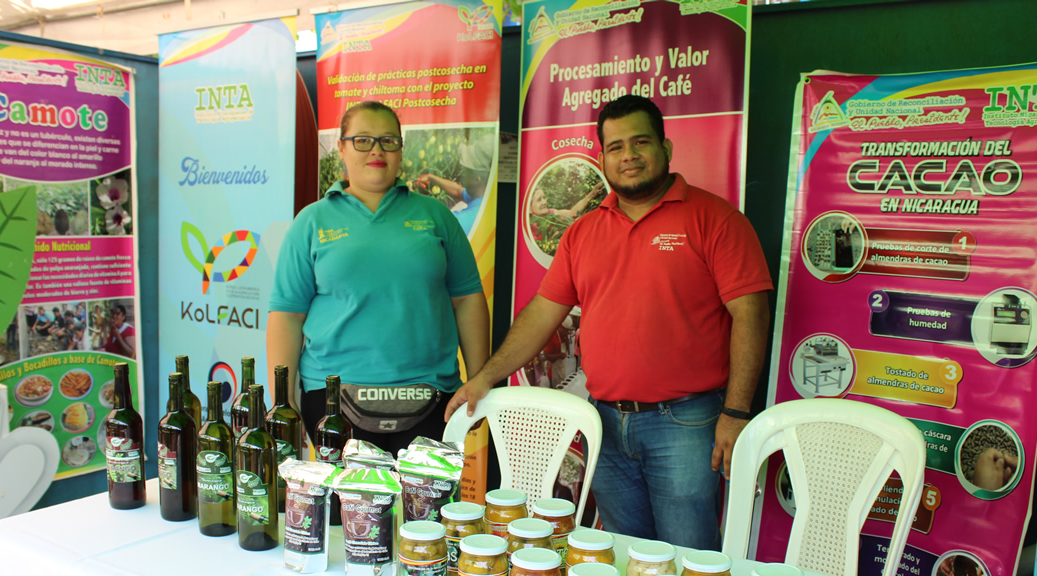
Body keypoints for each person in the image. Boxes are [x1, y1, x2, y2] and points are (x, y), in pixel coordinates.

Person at [445, 95, 773, 550]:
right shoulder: (582, 231)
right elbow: (542, 313)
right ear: (602, 158)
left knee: (687, 551)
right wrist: (484, 378)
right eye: (616, 147)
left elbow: (751, 315)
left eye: (640, 142)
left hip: (686, 422)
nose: (629, 156)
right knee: (621, 550)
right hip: (603, 420)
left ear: (666, 147)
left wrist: (737, 413)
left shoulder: (715, 220)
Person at [267, 100, 490, 456]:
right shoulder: (311, 222)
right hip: (332, 401)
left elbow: (467, 299)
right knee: (349, 512)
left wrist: (479, 380)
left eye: (388, 141)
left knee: (425, 511)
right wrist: (284, 400)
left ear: (401, 149)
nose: (377, 150)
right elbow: (287, 316)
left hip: (432, 398)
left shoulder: (436, 216)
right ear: (341, 148)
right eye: (363, 140)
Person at [415, 132, 495, 234]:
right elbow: (458, 191)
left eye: (467, 171)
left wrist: (410, 200)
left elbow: (420, 229)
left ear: (477, 179)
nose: (463, 173)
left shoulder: (461, 221)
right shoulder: (487, 199)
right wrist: (431, 177)